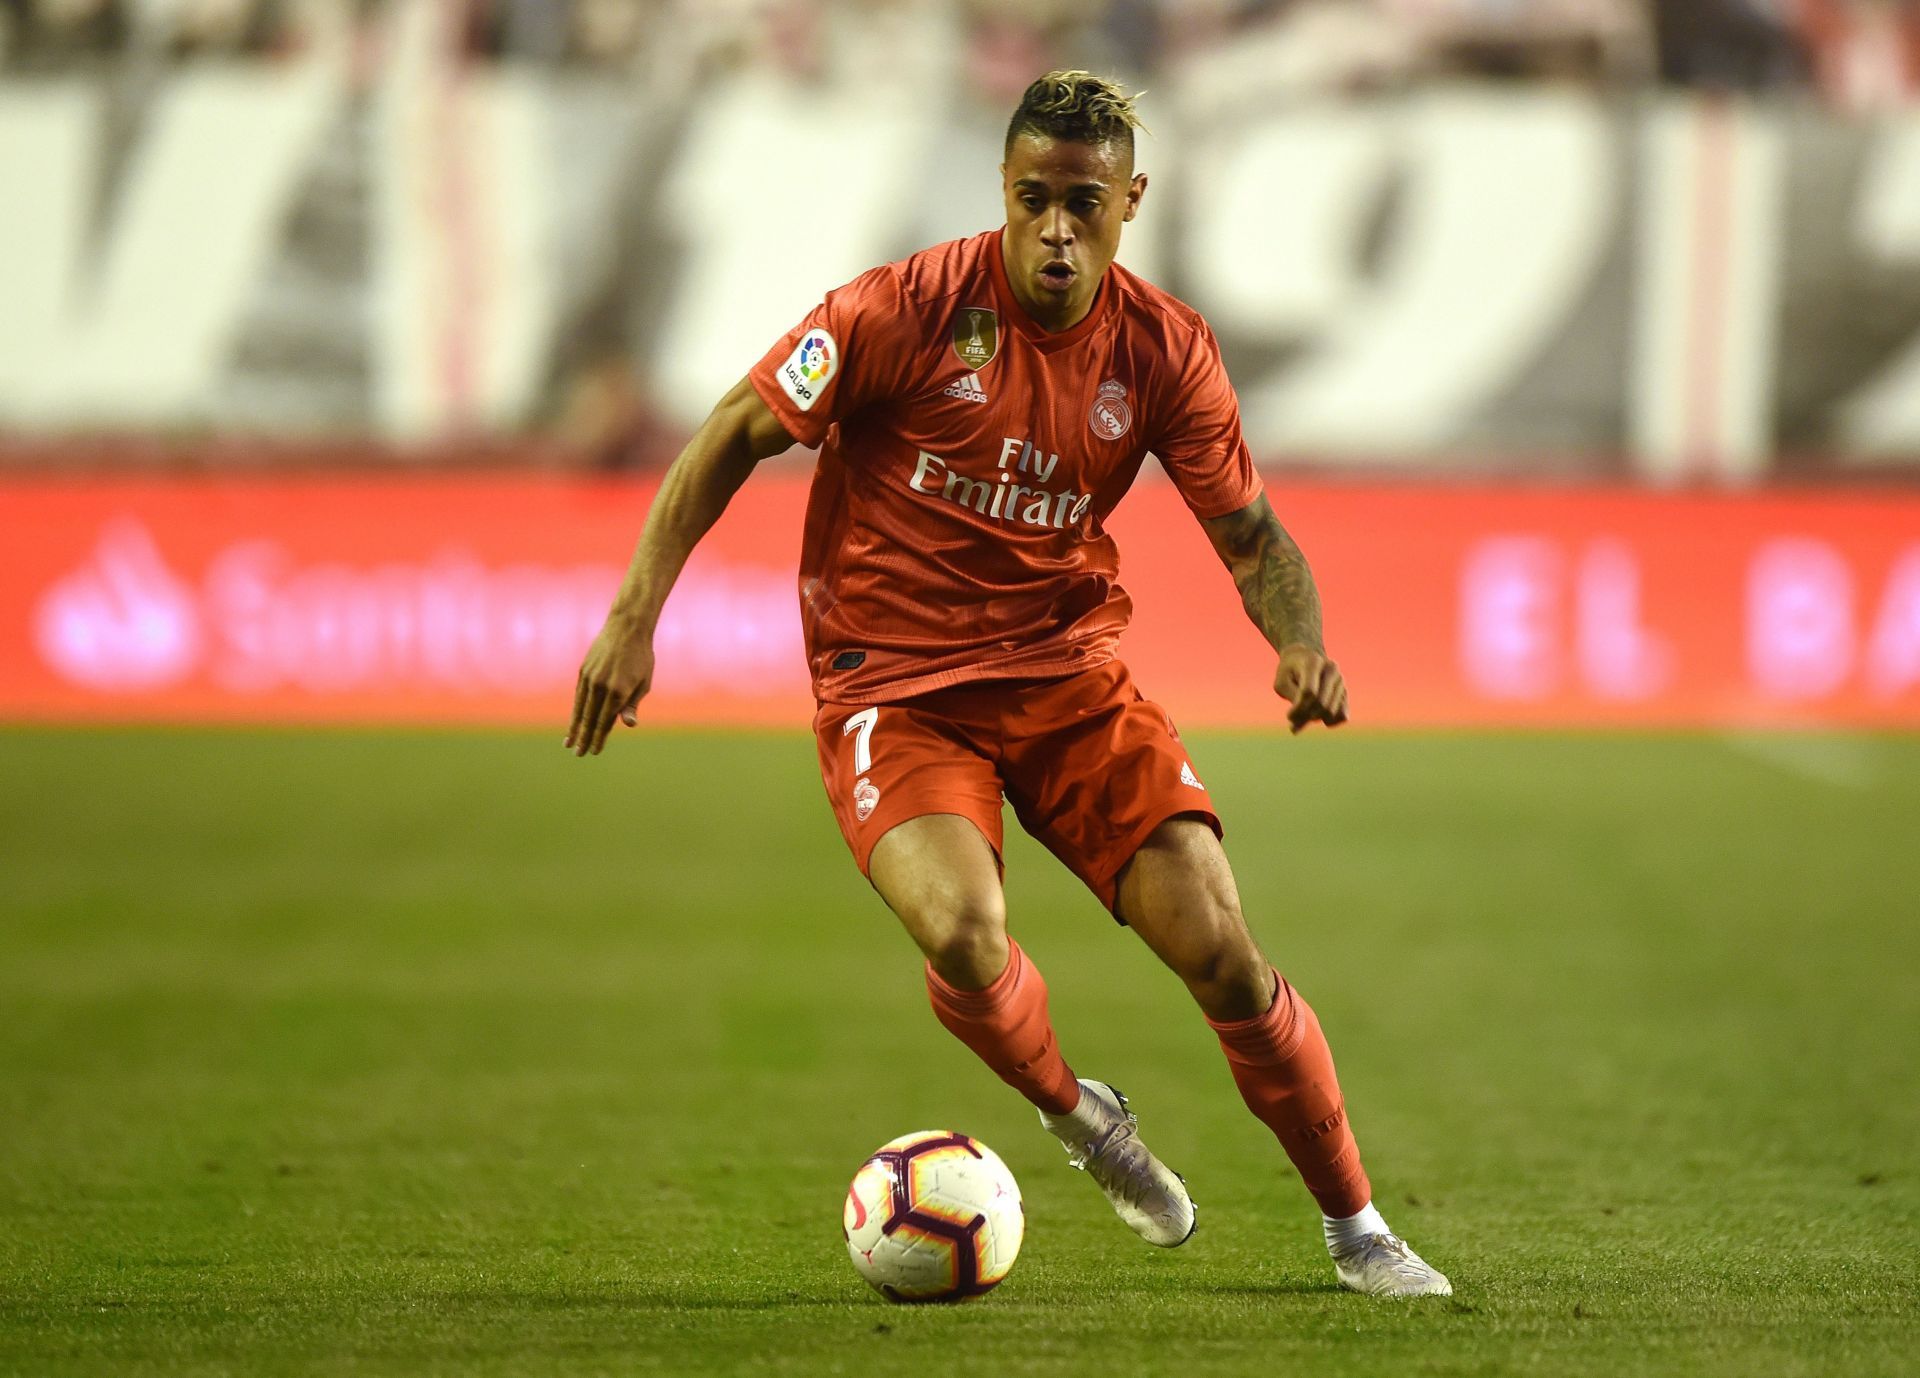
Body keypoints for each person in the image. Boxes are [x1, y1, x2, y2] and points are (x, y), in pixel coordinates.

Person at [567, 69, 1451, 1299]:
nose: (1055, 228)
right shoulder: (900, 308)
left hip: (1066, 677)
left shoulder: (1163, 349)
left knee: (1224, 953)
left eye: (1083, 203)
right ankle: (1083, 1116)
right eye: (1033, 198)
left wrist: (1297, 642)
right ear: (1002, 189)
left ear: (1130, 200)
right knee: (967, 934)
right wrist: (632, 618)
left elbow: (1253, 536)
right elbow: (731, 430)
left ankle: (1359, 1228)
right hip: (896, 686)